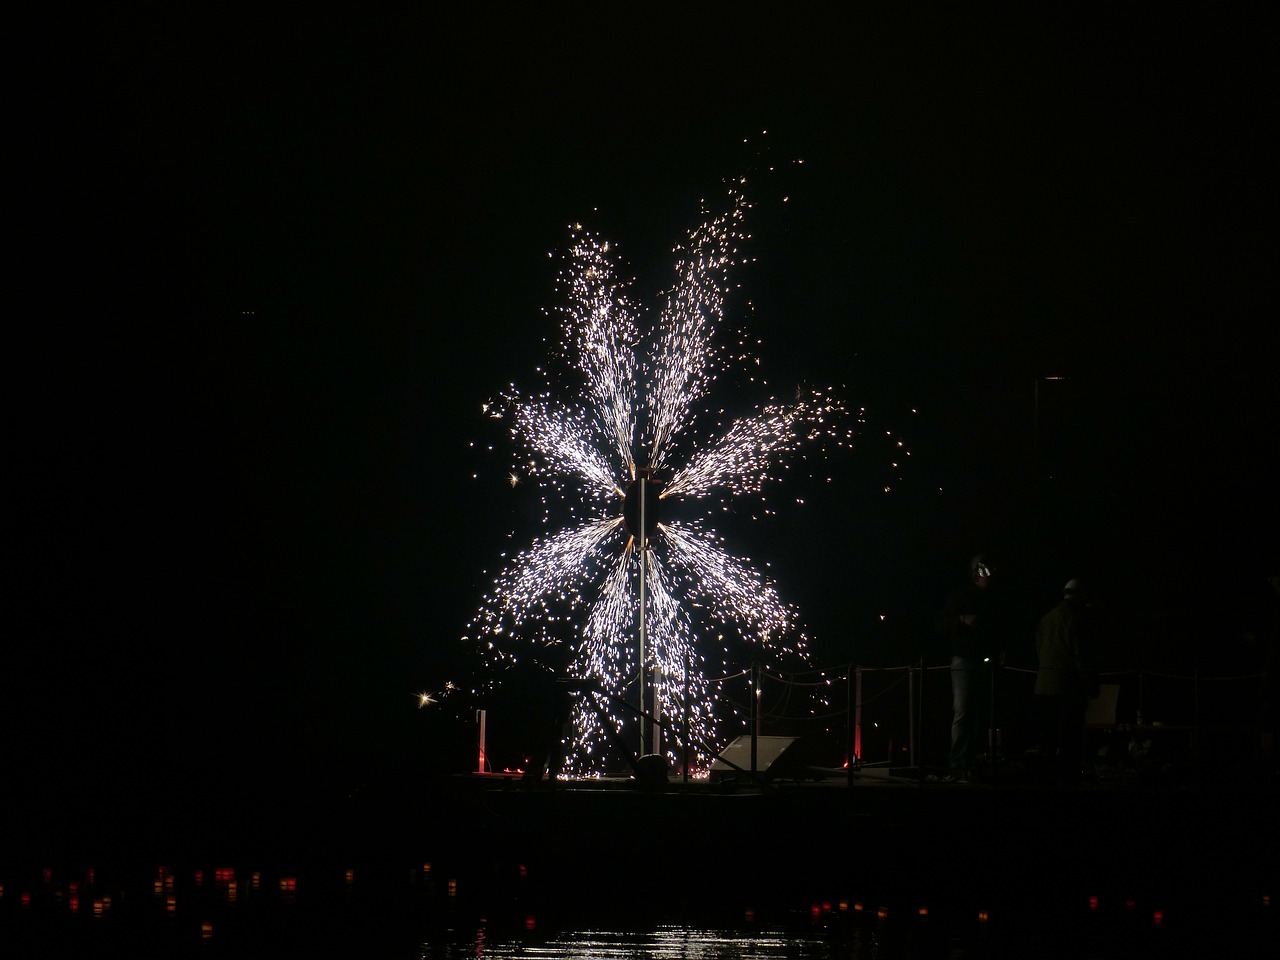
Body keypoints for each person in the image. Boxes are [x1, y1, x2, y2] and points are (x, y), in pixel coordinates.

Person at [936, 553, 1008, 781]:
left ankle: (975, 760)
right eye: (985, 570)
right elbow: (940, 625)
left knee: (980, 713)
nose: (989, 575)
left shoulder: (992, 600)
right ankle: (957, 763)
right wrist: (962, 619)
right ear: (976, 573)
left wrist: (999, 651)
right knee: (964, 710)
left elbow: (997, 629)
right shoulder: (961, 597)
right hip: (965, 660)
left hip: (984, 661)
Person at [1034, 578, 1097, 782]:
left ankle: (1046, 777)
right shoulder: (1077, 619)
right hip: (1068, 687)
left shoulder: (1046, 618)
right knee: (1070, 737)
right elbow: (1081, 657)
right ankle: (1067, 779)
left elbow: (1039, 649)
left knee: (1048, 738)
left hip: (1044, 685)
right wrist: (1090, 683)